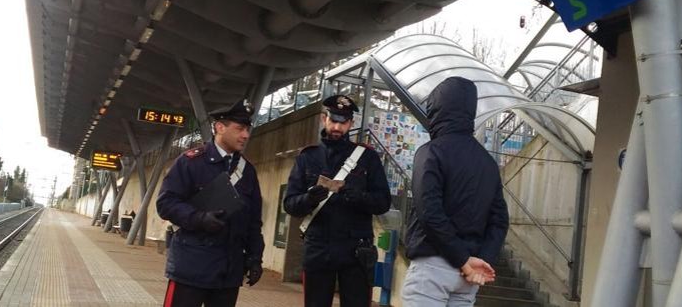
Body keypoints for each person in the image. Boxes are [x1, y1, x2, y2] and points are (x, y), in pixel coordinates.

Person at [401, 76, 509, 306]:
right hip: (469, 275)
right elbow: (499, 219)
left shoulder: (431, 152)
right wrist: (481, 260)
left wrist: (461, 258)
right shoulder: (487, 162)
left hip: (433, 267)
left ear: (436, 110)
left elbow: (429, 213)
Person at [284, 94, 392, 307]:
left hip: (356, 249)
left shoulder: (367, 158)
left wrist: (359, 197)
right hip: (318, 246)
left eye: (343, 122)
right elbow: (289, 204)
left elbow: (383, 202)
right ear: (323, 119)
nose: (337, 127)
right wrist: (309, 198)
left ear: (350, 123)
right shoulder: (308, 157)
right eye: (333, 120)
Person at [156, 99, 265, 307]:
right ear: (220, 127)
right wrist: (199, 218)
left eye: (248, 129)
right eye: (240, 128)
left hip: (228, 274)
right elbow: (166, 203)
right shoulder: (190, 162)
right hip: (191, 269)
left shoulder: (248, 172)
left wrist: (255, 257)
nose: (246, 135)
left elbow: (253, 221)